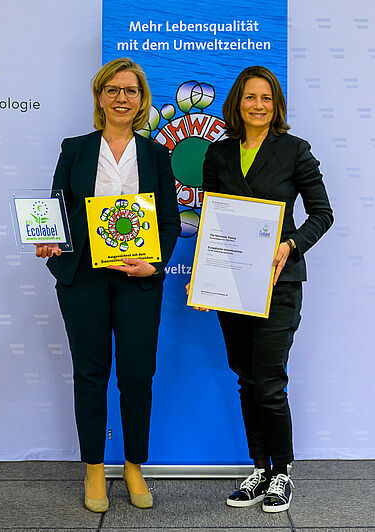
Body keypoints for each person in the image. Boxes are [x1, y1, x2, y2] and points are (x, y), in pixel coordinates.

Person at [36, 57, 180, 513]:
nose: (122, 98)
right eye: (113, 90)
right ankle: (94, 467)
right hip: (84, 280)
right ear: (100, 97)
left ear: (142, 101)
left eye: (131, 91)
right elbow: (56, 207)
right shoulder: (75, 149)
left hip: (138, 280)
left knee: (138, 375)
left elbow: (172, 223)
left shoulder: (156, 154)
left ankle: (134, 463)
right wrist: (48, 240)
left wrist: (154, 266)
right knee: (91, 374)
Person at [198, 66, 333, 512]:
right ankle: (258, 468)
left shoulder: (295, 151)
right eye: (250, 97)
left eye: (267, 98)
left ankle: (282, 474)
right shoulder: (217, 155)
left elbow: (322, 214)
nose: (258, 105)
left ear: (277, 106)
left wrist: (291, 244)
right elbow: (211, 220)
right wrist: (206, 279)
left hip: (279, 283)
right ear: (237, 102)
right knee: (246, 378)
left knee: (270, 383)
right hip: (232, 283)